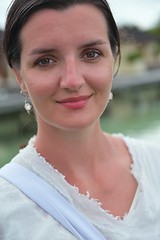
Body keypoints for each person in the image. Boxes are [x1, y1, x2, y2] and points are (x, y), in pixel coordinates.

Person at [0, 0, 160, 239]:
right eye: (45, 60)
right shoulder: (7, 207)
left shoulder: (155, 164)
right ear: (19, 76)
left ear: (114, 58)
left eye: (92, 54)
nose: (72, 81)